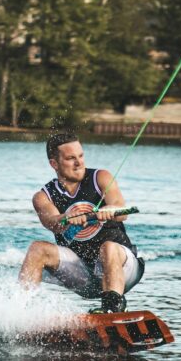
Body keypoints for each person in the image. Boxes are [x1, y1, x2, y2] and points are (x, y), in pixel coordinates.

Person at [18, 133, 145, 313]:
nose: (79, 163)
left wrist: (109, 210)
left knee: (108, 247)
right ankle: (20, 311)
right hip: (83, 275)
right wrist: (66, 218)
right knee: (37, 249)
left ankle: (112, 309)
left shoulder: (100, 177)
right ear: (54, 164)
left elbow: (120, 210)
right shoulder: (42, 197)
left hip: (123, 269)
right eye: (71, 158)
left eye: (81, 156)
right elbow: (51, 222)